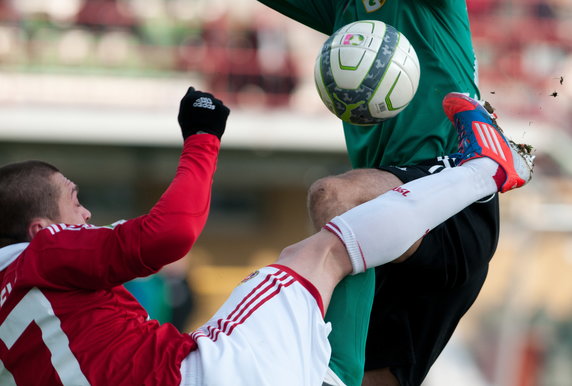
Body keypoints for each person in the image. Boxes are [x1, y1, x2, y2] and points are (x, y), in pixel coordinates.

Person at [0, 88, 531, 385]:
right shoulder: (40, 253)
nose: (86, 211)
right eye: (74, 198)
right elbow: (171, 233)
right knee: (322, 252)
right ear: (42, 227)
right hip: (204, 377)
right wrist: (203, 138)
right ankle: (485, 166)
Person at [256, 1, 497, 385]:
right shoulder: (343, 8)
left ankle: (335, 368)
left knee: (334, 197)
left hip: (451, 188)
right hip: (392, 231)